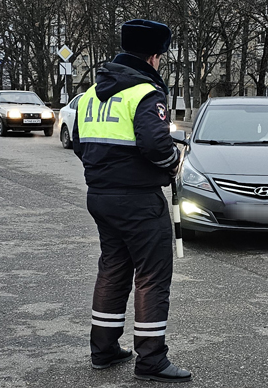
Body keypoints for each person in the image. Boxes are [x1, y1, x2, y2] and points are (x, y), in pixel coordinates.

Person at [72, 19, 191, 383]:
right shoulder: (144, 92)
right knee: (153, 277)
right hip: (139, 200)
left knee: (113, 270)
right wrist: (174, 163)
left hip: (101, 196)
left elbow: (79, 143)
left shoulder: (92, 93)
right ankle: (151, 360)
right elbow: (157, 145)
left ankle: (104, 349)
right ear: (154, 57)